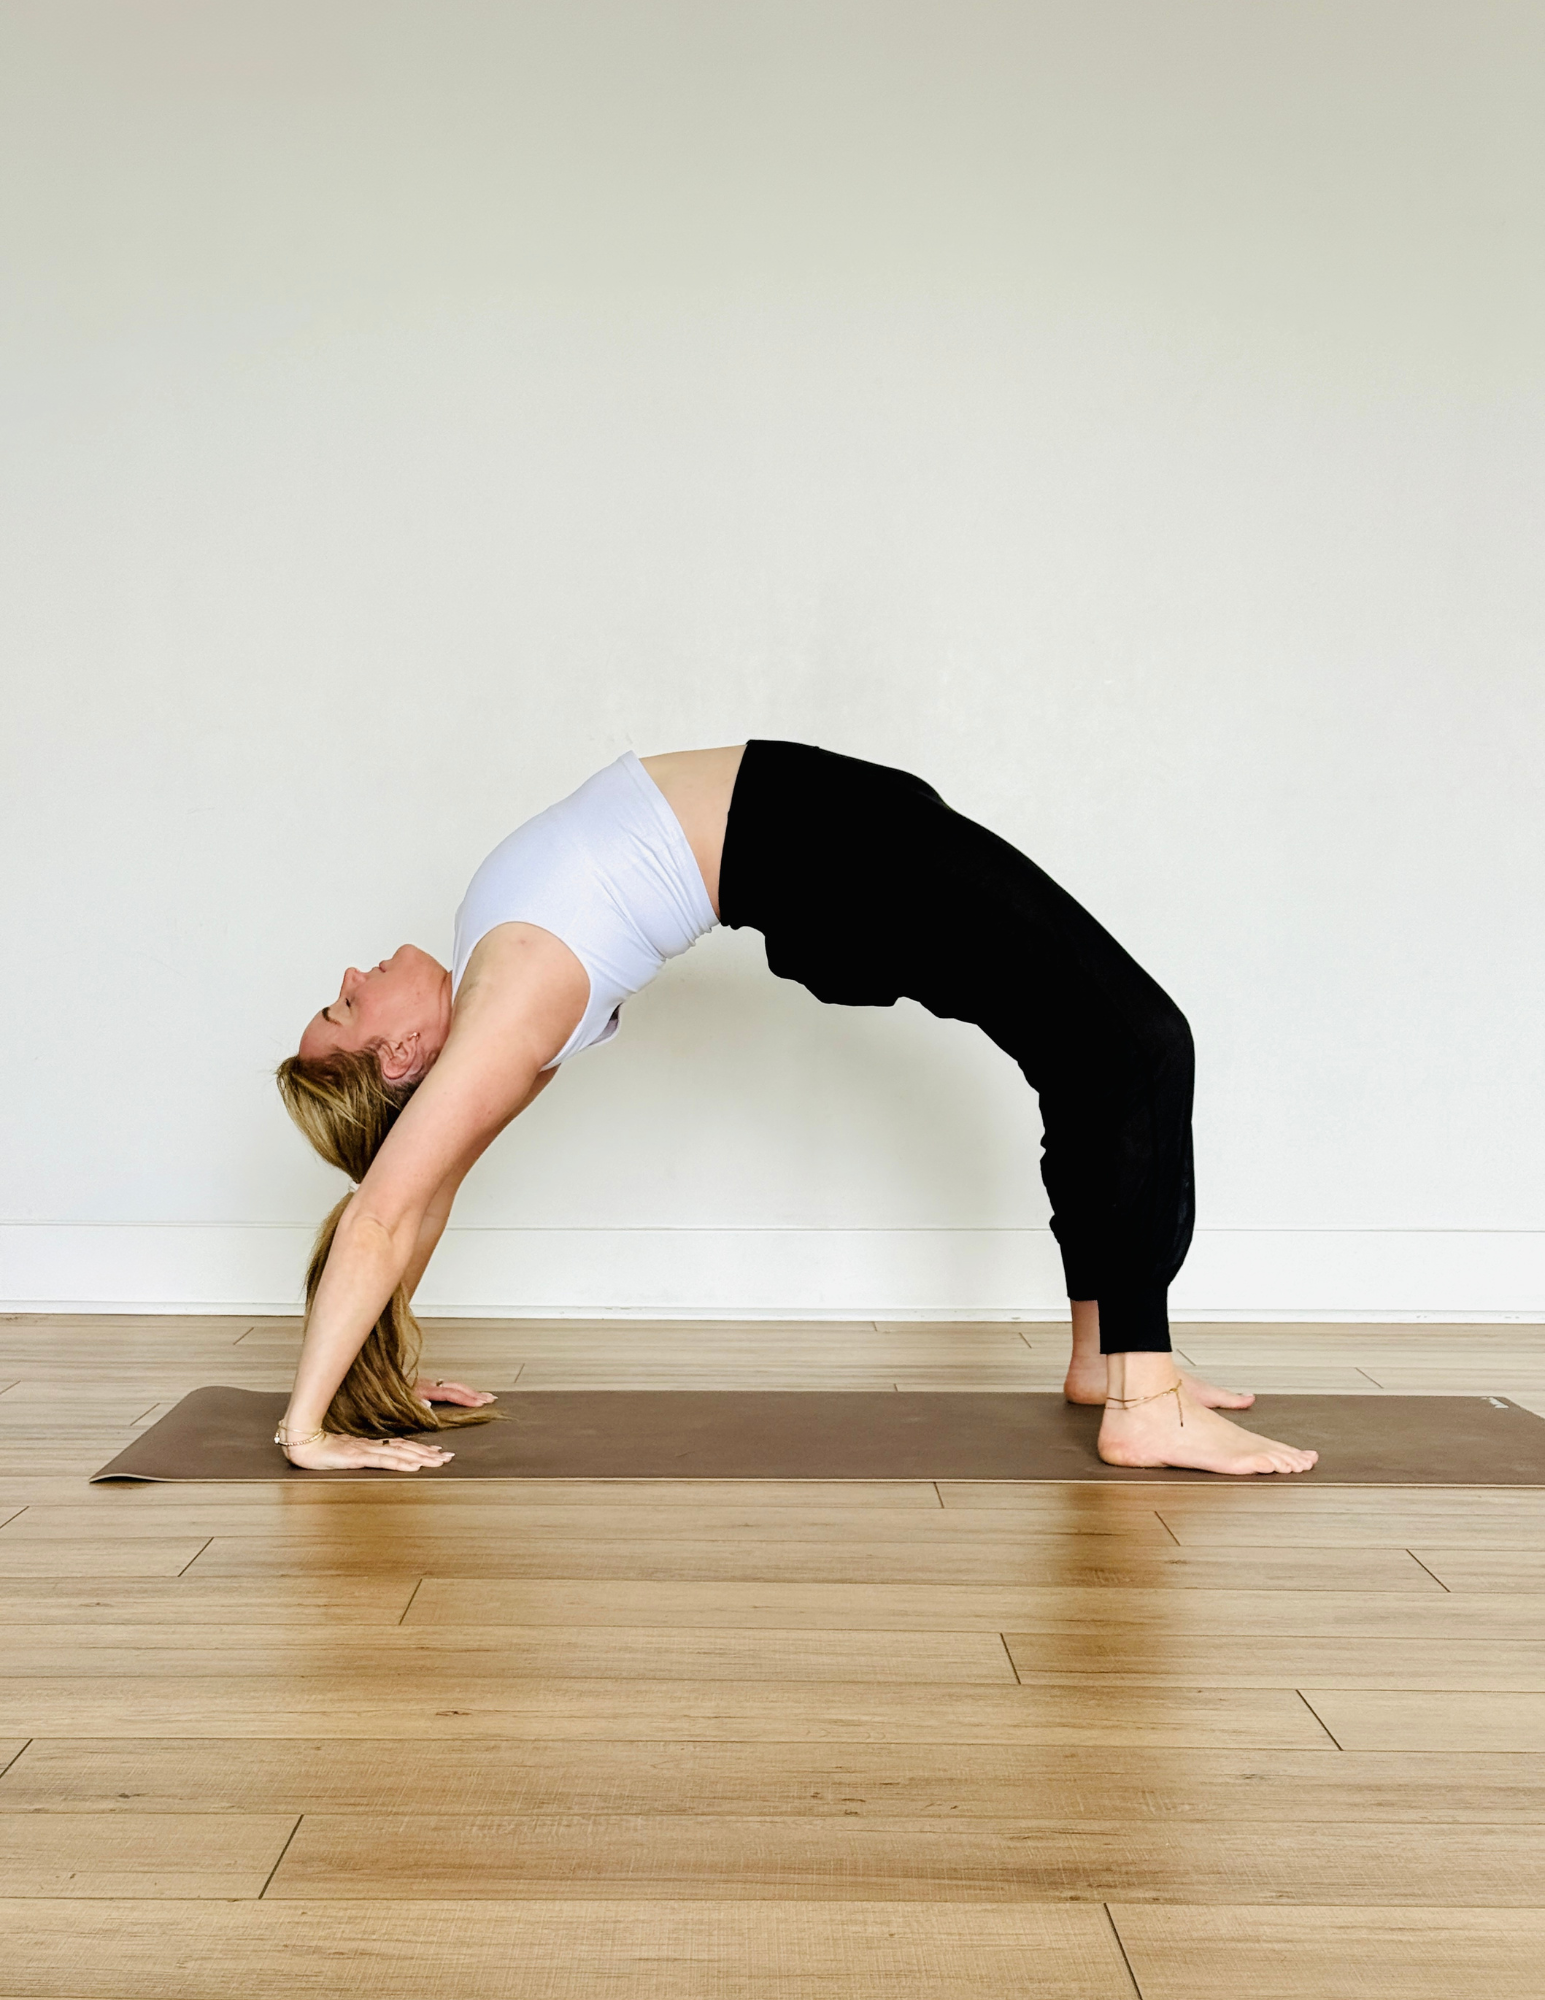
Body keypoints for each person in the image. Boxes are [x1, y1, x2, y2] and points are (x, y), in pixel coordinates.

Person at [275, 742, 1317, 1477]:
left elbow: (419, 1194)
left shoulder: (490, 979)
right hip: (828, 852)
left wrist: (385, 1373)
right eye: (344, 1007)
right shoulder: (508, 993)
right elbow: (385, 1210)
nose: (352, 974)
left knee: (1082, 1042)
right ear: (403, 1053)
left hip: (829, 843)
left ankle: (1110, 1357)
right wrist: (307, 1427)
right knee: (1134, 1038)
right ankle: (1143, 1397)